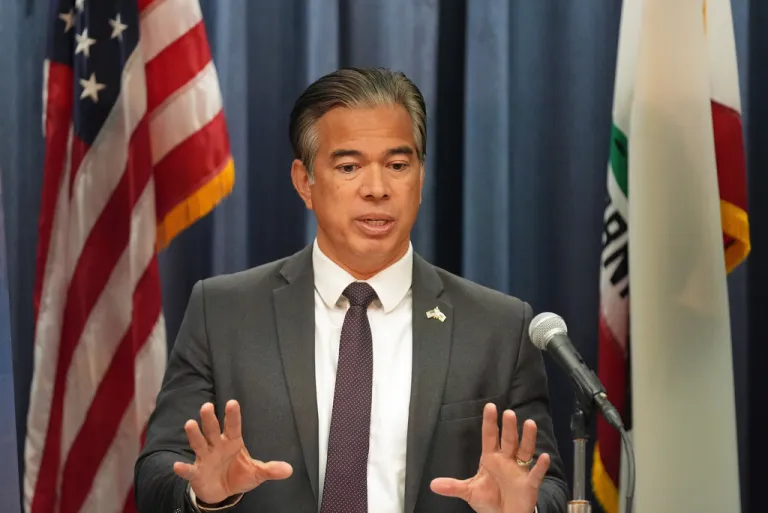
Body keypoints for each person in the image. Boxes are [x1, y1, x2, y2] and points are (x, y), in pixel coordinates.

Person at [134, 67, 568, 513]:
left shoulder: (499, 326)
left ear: (420, 178)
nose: (377, 189)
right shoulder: (222, 312)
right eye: (349, 167)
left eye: (398, 166)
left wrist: (524, 508)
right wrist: (201, 493)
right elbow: (156, 471)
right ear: (305, 182)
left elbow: (547, 484)